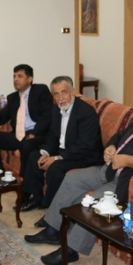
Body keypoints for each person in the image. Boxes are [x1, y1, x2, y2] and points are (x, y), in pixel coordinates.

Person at [24, 113, 133, 265]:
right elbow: (119, 135)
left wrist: (129, 161)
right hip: (107, 170)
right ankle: (52, 231)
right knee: (72, 179)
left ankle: (71, 250)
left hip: (124, 181)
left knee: (93, 202)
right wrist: (111, 146)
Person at [20, 76, 103, 212]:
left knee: (56, 168)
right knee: (35, 156)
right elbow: (53, 136)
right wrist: (46, 153)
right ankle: (36, 198)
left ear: (72, 91)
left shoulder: (86, 112)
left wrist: (56, 158)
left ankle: (51, 207)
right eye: (56, 94)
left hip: (85, 156)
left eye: (64, 92)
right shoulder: (56, 110)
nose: (60, 98)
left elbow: (85, 145)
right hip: (65, 151)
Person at [0, 64, 53, 185]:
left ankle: (24, 183)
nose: (15, 79)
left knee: (26, 145)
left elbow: (47, 117)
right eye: (14, 76)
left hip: (38, 135)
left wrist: (33, 133)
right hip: (18, 135)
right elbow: (0, 120)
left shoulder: (40, 91)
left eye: (20, 76)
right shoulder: (12, 97)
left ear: (30, 79)